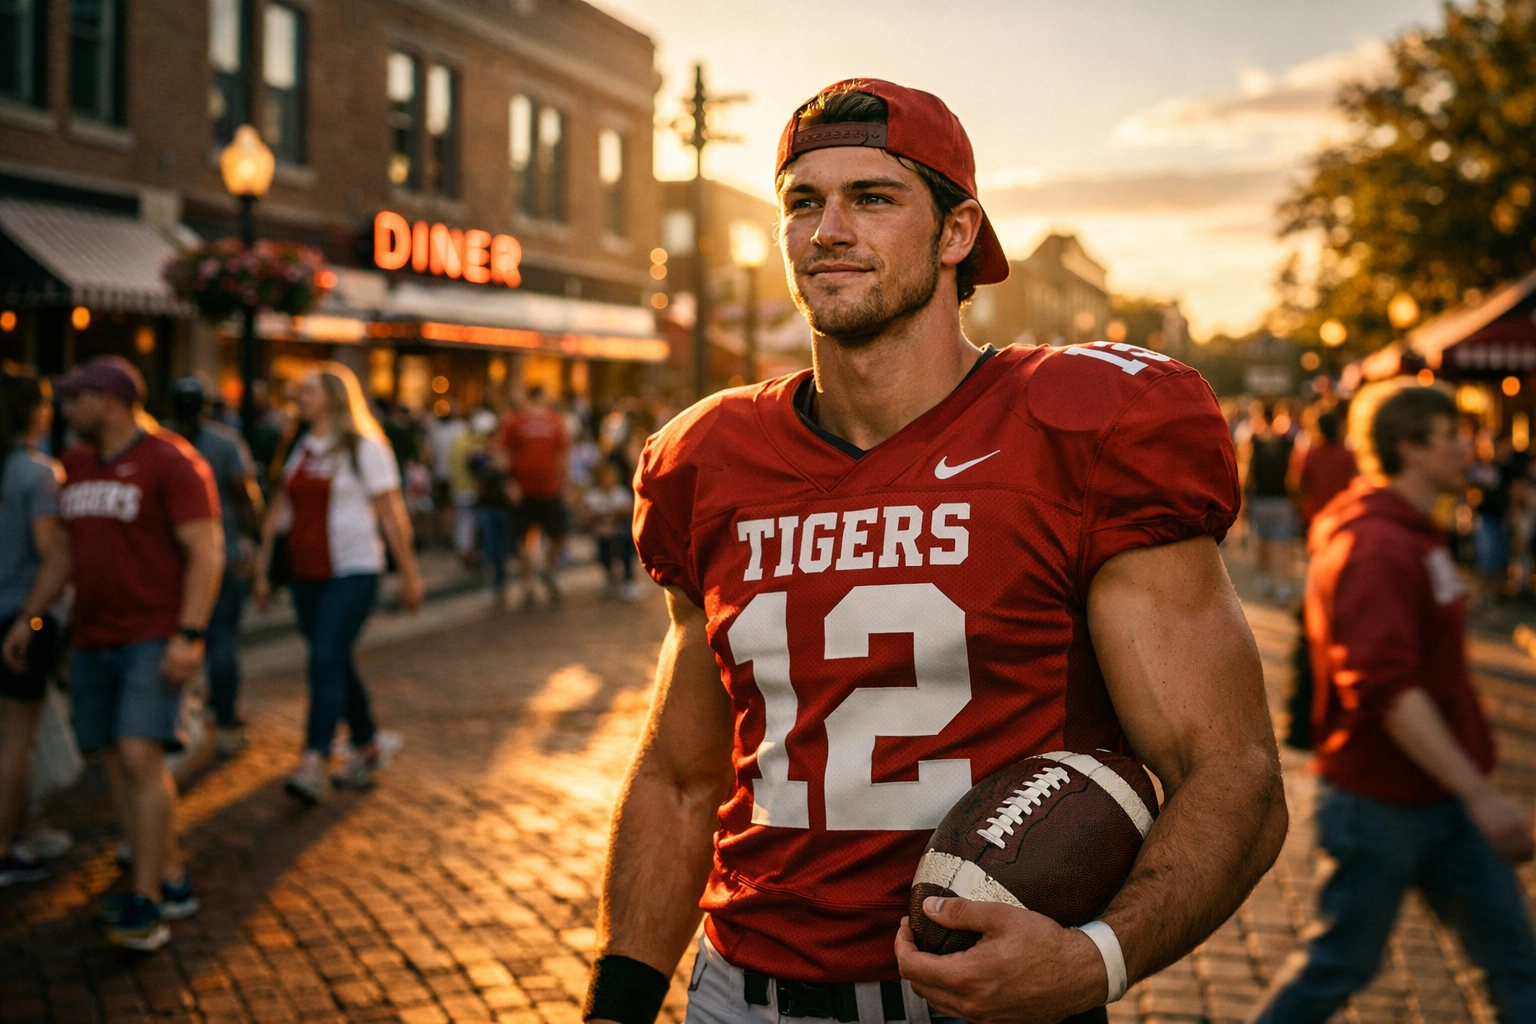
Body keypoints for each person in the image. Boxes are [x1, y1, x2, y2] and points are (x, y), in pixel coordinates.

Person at [585, 79, 1286, 1024]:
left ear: (958, 235)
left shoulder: (1081, 430)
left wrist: (1092, 965)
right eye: (803, 202)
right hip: (738, 994)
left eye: (873, 198)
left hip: (985, 1004)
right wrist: (616, 1006)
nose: (829, 229)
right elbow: (678, 779)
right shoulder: (711, 457)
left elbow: (1231, 770)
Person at [1252, 382, 1536, 1023]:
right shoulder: (1378, 544)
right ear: (1409, 447)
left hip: (1433, 794)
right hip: (1382, 800)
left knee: (1516, 968)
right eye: (1449, 437)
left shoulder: (1408, 529)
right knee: (1337, 967)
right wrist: (1480, 793)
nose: (1467, 449)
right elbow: (1385, 687)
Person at [49, 356, 224, 951]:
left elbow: (205, 551)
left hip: (152, 632)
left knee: (138, 753)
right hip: (93, 636)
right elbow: (67, 555)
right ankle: (168, 872)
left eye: (76, 398)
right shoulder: (73, 465)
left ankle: (146, 901)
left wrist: (190, 634)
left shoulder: (171, 461)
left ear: (111, 400)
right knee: (115, 763)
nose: (66, 409)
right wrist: (38, 618)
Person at [254, 363, 422, 804]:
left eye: (308, 389)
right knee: (333, 659)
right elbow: (279, 512)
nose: (299, 396)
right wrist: (264, 571)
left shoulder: (365, 447)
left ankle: (313, 760)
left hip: (354, 569)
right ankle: (367, 743)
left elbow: (391, 512)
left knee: (324, 657)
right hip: (306, 573)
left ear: (332, 396)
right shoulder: (299, 446)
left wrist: (408, 573)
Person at [167, 375, 265, 756]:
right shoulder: (225, 442)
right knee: (222, 637)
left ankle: (184, 715)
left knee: (178, 636)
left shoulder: (161, 441)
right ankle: (224, 720)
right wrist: (255, 541)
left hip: (177, 554)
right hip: (216, 550)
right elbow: (245, 496)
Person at [0, 371, 69, 885]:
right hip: (19, 619)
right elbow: (53, 555)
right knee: (16, 740)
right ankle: (8, 844)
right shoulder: (36, 473)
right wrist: (33, 616)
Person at [1282, 406, 1357, 751]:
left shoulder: (1309, 453)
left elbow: (1296, 485)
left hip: (1317, 527)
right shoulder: (1348, 455)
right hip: (1347, 528)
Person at [497, 386, 570, 608]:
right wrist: (509, 482)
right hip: (524, 490)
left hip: (549, 488)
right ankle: (527, 584)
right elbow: (501, 452)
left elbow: (563, 454)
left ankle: (547, 571)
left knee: (558, 535)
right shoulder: (515, 421)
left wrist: (565, 485)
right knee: (522, 539)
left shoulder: (555, 421)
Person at [1241, 402, 1298, 599]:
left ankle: (1264, 579)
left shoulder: (1254, 442)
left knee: (1262, 543)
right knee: (1281, 545)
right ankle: (1282, 584)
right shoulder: (1287, 443)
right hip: (1282, 499)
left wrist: (1244, 499)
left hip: (1259, 499)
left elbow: (1249, 473)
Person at [467, 410, 516, 606]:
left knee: (503, 547)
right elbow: (476, 479)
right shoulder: (479, 458)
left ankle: (500, 583)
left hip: (503, 508)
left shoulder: (508, 458)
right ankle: (495, 582)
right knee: (490, 545)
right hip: (487, 507)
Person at [582, 460, 639, 600]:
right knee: (603, 556)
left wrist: (618, 514)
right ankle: (610, 578)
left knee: (626, 552)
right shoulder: (594, 495)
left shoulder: (621, 493)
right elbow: (586, 516)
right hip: (603, 534)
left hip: (620, 533)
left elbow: (629, 511)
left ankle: (628, 579)